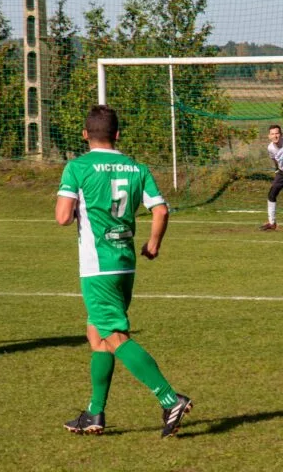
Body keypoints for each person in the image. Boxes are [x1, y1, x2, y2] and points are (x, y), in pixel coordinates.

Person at [56, 105, 191, 438]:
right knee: (96, 334)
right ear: (117, 134)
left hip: (96, 266)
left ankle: (170, 398)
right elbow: (160, 210)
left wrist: (75, 209)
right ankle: (94, 413)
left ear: (85, 134)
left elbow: (62, 217)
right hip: (125, 264)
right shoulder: (136, 168)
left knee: (114, 336)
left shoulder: (77, 167)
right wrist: (154, 244)